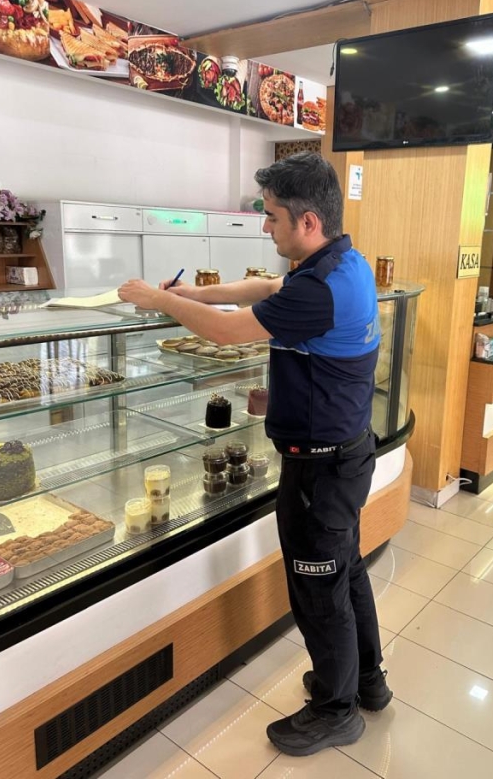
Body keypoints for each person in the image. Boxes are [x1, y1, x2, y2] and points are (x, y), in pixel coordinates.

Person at [118, 152, 392, 757]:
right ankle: (365, 682)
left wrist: (160, 301)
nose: (264, 227)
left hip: (321, 468)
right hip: (344, 456)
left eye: (271, 216)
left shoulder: (318, 291)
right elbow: (267, 288)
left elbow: (225, 331)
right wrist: (193, 291)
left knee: (319, 588)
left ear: (308, 221)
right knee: (345, 571)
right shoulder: (341, 264)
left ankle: (336, 710)